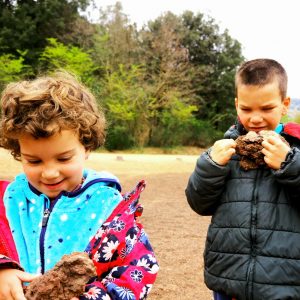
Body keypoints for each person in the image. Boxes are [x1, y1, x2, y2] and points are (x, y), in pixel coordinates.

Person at [0, 72, 159, 300]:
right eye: (34, 161)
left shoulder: (110, 208)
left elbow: (140, 268)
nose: (50, 173)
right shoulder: (7, 201)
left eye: (63, 159)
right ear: (18, 152)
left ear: (86, 147)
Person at [185, 58, 300, 300]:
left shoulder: (295, 151)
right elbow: (199, 203)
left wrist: (290, 165)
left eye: (267, 109)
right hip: (229, 280)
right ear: (237, 104)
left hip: (285, 285)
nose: (255, 119)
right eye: (246, 109)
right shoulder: (224, 151)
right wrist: (210, 166)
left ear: (284, 105)